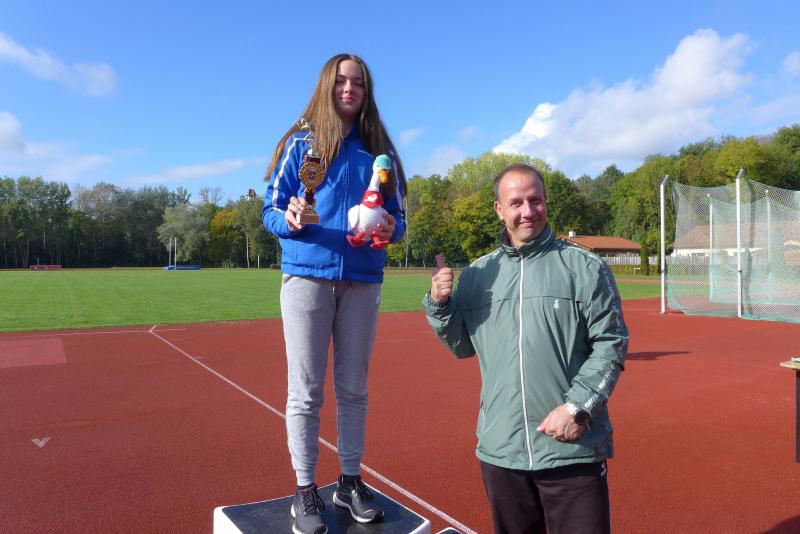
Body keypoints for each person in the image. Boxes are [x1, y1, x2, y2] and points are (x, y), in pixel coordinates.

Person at [423, 164, 628, 534]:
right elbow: (462, 346)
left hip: (571, 448)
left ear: (546, 201)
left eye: (535, 200)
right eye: (516, 202)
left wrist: (577, 408)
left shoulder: (585, 268)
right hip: (502, 450)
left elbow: (611, 344)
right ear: (499, 210)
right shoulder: (478, 275)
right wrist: (440, 306)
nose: (528, 211)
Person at [262, 53, 406, 534]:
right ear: (328, 85)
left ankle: (348, 481)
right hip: (307, 275)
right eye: (342, 81)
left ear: (367, 91)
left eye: (358, 83)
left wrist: (389, 228)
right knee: (305, 392)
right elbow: (271, 210)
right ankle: (305, 488)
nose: (349, 89)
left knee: (353, 389)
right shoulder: (302, 144)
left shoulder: (379, 151)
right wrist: (289, 220)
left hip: (362, 279)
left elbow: (398, 218)